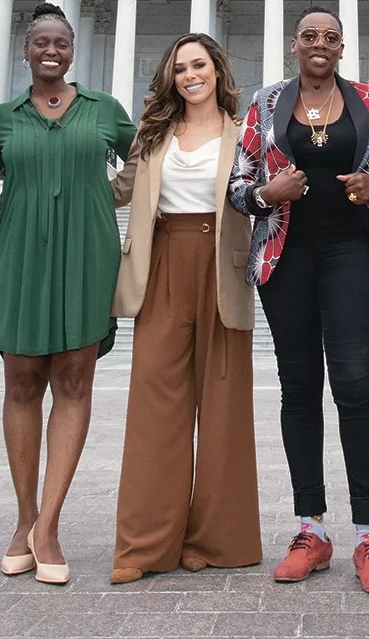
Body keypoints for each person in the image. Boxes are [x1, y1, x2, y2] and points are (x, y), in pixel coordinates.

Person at [228, 6, 369, 595]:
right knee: (299, 388)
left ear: (343, 47)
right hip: (286, 256)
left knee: (355, 387)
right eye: (309, 37)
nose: (319, 45)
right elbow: (237, 186)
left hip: (351, 253)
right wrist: (264, 194)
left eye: (330, 37)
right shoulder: (265, 103)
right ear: (294, 45)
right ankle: (310, 529)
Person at [0, 3, 134, 585]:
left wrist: (113, 198)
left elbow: (146, 156)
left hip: (87, 254)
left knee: (74, 380)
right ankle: (24, 520)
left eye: (62, 43)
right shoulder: (2, 117)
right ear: (26, 51)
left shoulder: (103, 110)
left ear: (73, 52)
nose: (52, 51)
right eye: (41, 42)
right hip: (22, 253)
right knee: (22, 382)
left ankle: (48, 526)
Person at [109, 33, 261, 583]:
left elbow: (263, 197)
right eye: (179, 69)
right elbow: (119, 191)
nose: (190, 75)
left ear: (218, 70)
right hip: (162, 262)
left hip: (222, 266)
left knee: (224, 406)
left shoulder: (246, 135)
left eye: (199, 65)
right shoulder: (152, 136)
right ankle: (145, 546)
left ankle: (217, 541)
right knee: (155, 406)